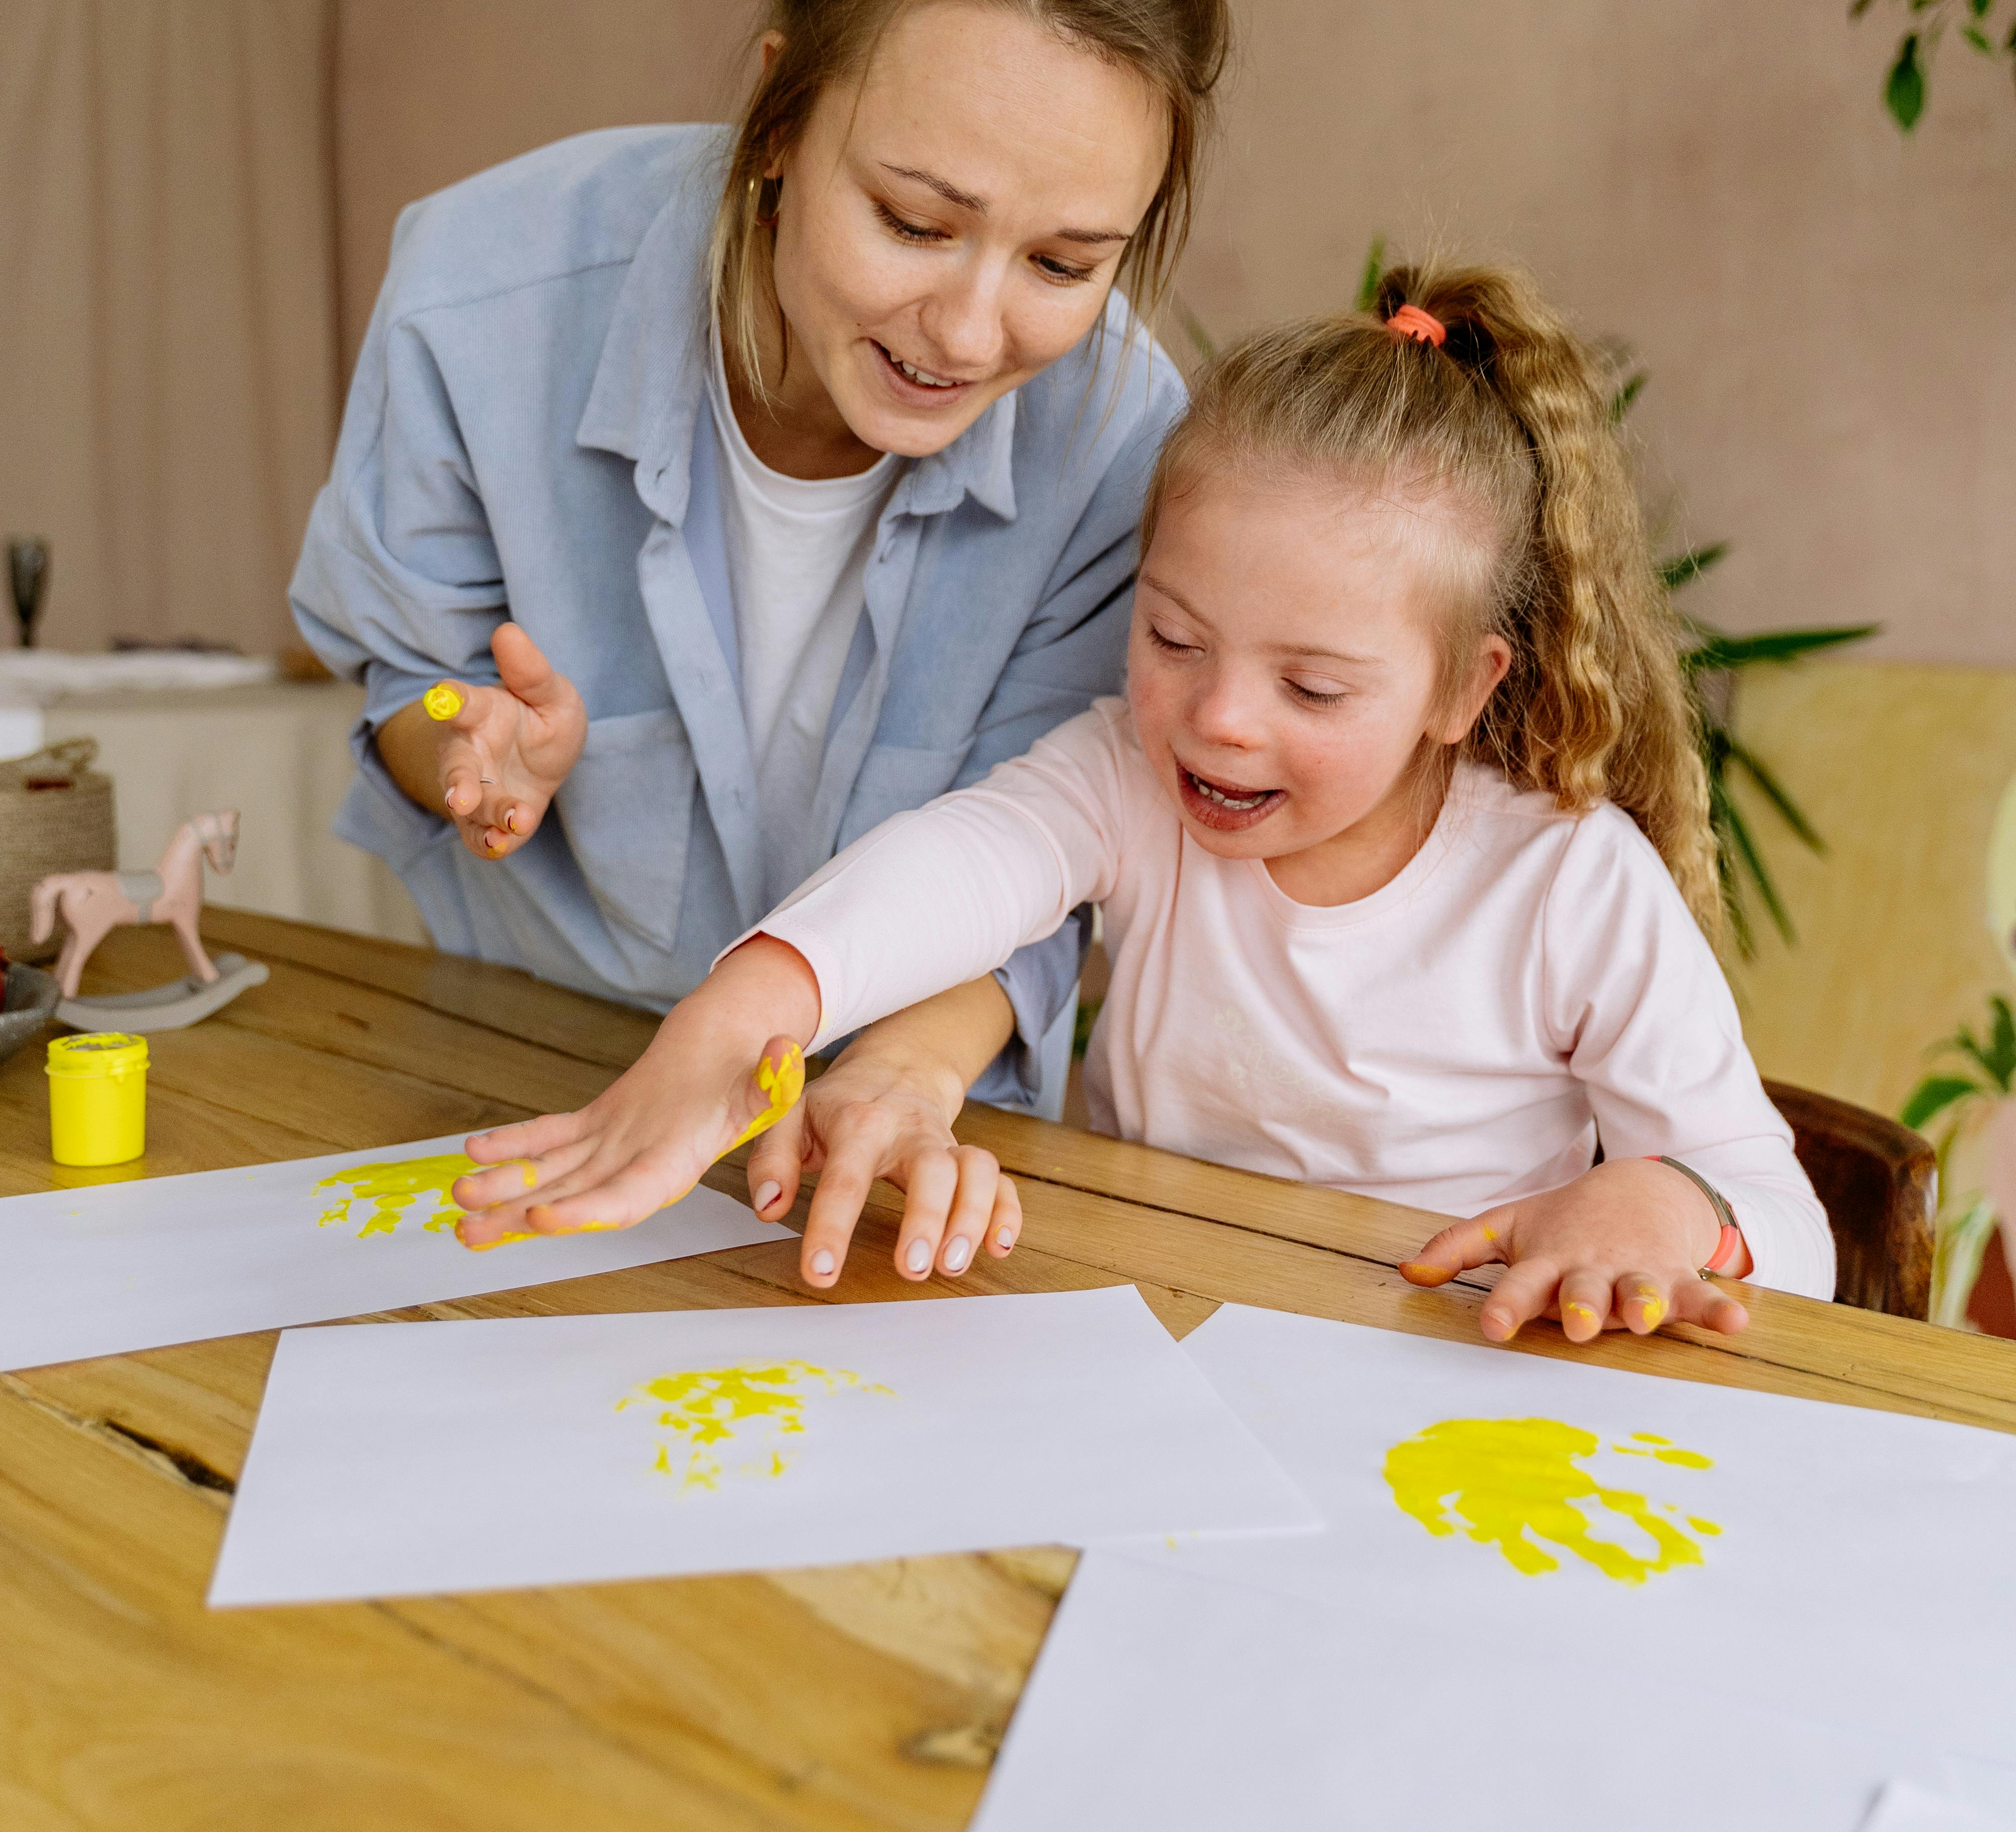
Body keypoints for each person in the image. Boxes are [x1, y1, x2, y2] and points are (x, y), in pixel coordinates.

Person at [450, 260, 1835, 1348]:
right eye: (1175, 640)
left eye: (1313, 687)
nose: (1221, 718)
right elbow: (964, 862)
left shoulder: (1565, 884)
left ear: (1461, 692)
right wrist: (753, 1003)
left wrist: (1674, 1207)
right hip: (1146, 1337)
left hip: (1440, 1376)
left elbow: (1787, 1226)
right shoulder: (1131, 777)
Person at [291, 0, 1228, 1257]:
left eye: (1066, 263)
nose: (976, 330)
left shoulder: (1122, 435)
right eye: (918, 223)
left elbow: (1047, 845)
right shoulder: (483, 299)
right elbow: (410, 675)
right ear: (781, 123)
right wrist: (472, 750)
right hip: (522, 1083)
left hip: (881, 1125)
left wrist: (911, 1076)